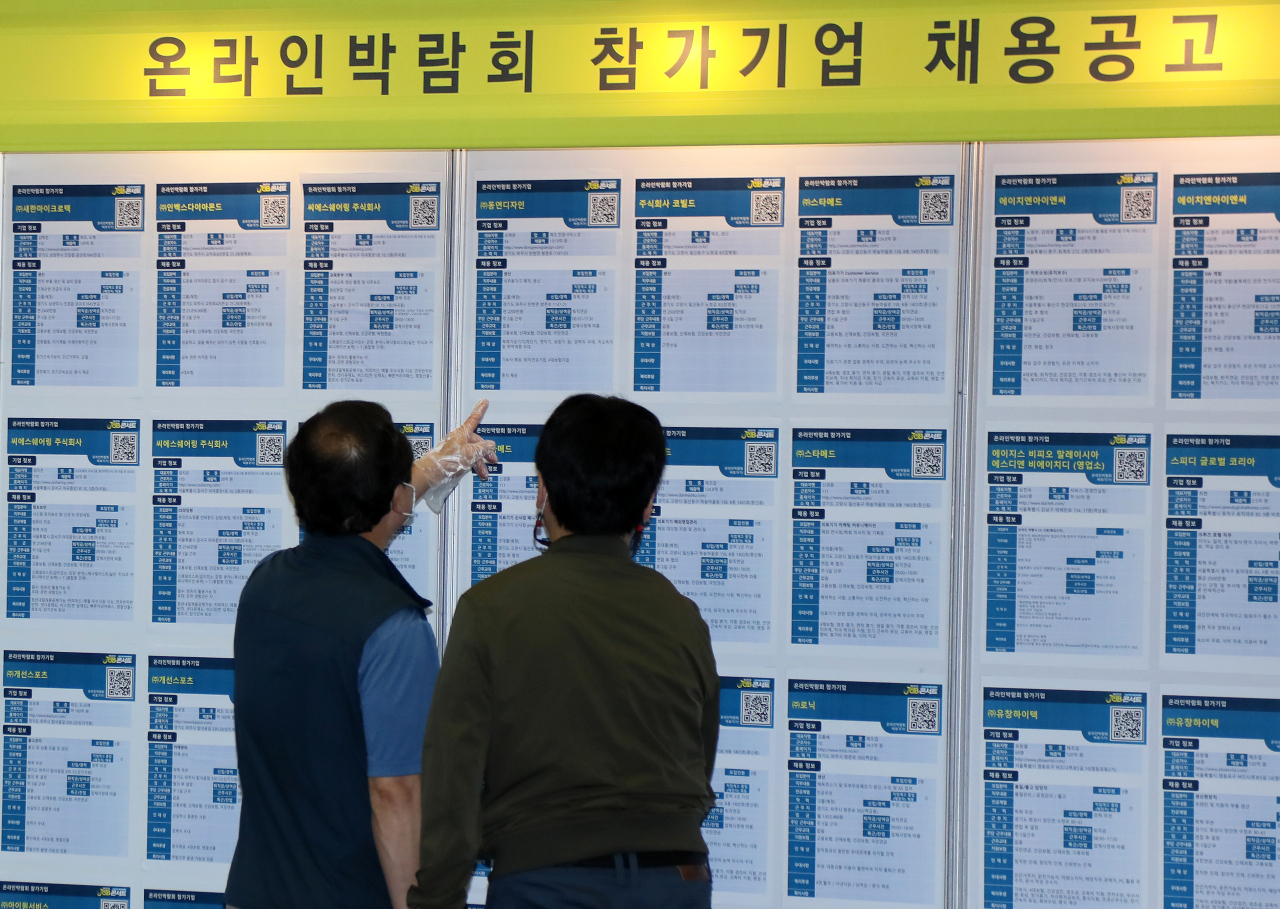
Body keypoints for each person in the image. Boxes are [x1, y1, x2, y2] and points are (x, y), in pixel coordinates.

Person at [409, 394, 720, 909]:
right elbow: (698, 760)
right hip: (676, 880)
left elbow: (452, 785)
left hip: (543, 881)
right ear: (646, 505)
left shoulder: (490, 609)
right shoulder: (680, 614)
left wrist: (435, 899)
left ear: (543, 492)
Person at [224, 399, 497, 909]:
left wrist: (430, 469)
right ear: (396, 498)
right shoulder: (394, 629)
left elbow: (348, 500)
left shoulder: (263, 586)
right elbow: (396, 795)